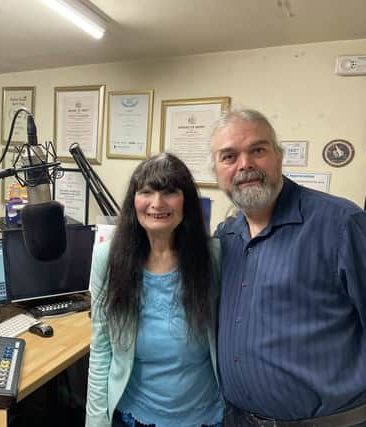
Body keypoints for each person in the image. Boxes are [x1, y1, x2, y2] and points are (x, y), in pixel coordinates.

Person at [210, 109, 366, 426]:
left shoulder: (340, 224)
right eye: (229, 156)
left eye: (257, 150)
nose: (245, 165)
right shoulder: (224, 238)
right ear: (217, 171)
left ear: (279, 157)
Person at [86, 153, 223, 427]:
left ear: (186, 201)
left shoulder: (214, 256)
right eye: (146, 192)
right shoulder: (108, 258)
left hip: (205, 416)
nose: (157, 203)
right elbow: (101, 348)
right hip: (135, 416)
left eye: (170, 192)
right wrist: (96, 420)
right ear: (133, 201)